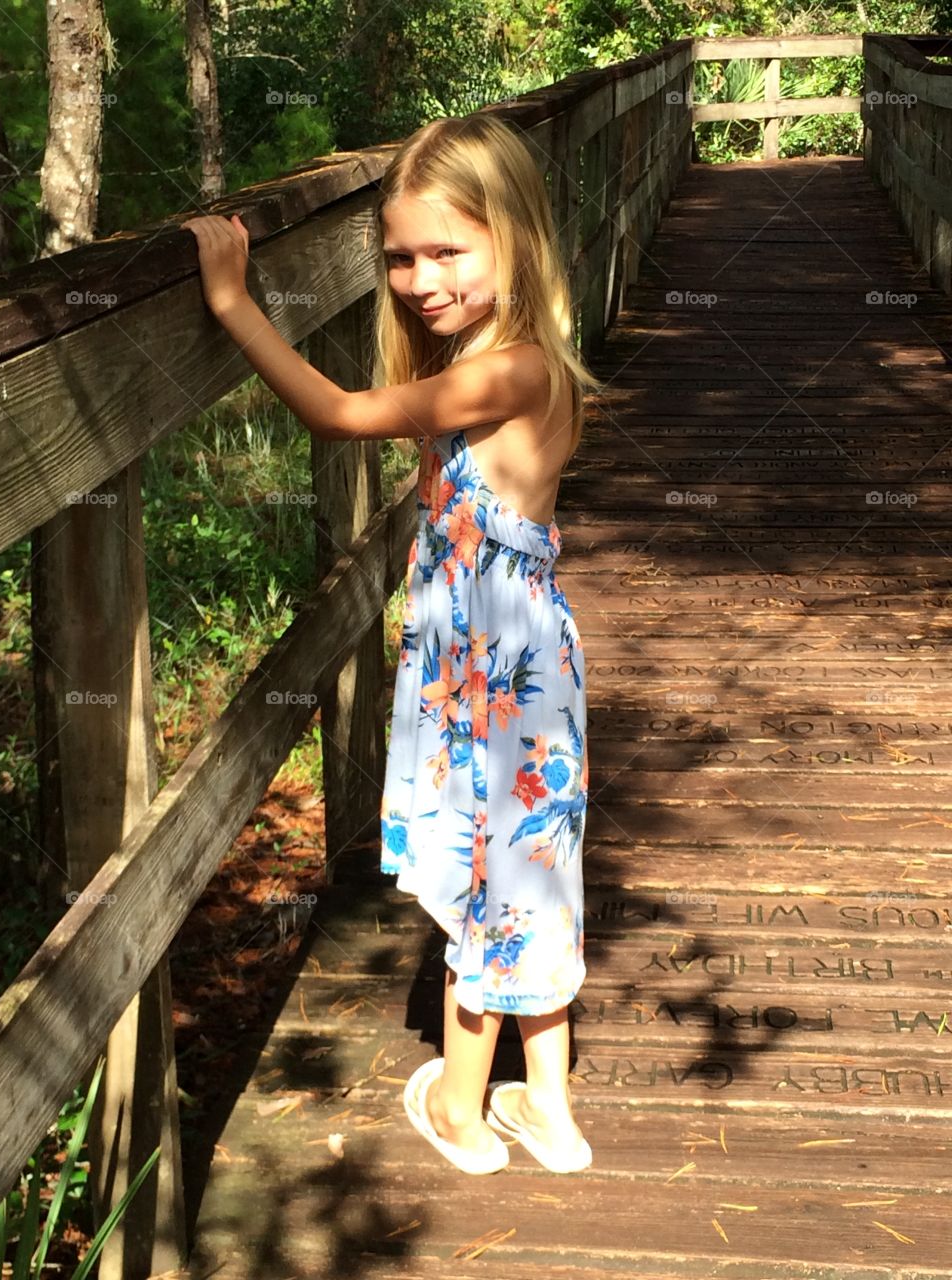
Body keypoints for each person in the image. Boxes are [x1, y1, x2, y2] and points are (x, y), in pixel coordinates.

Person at [180, 111, 602, 1177]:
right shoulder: (498, 361)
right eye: (399, 257)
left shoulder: (504, 372)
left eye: (445, 251)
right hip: (511, 674)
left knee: (490, 885)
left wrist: (234, 300)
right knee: (532, 878)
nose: (417, 278)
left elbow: (337, 411)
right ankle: (546, 1109)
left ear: (514, 236)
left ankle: (463, 1107)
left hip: (499, 686)